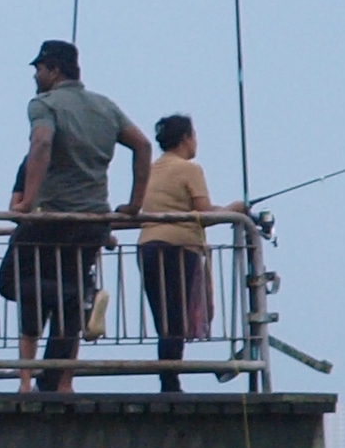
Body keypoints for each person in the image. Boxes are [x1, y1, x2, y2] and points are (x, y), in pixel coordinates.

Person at [12, 40, 152, 395]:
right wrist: (134, 205)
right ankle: (59, 378)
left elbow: (42, 144)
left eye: (39, 68)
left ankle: (68, 309)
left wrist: (27, 202)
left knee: (12, 280)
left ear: (54, 70)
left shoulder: (43, 105)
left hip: (51, 218)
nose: (35, 75)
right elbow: (143, 145)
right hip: (93, 220)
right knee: (70, 296)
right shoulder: (105, 106)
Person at [135, 114, 247, 392]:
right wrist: (235, 209)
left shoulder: (151, 169)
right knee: (176, 320)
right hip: (178, 249)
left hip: (147, 246)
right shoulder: (190, 169)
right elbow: (204, 214)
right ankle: (170, 383)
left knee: (165, 320)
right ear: (186, 138)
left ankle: (168, 379)